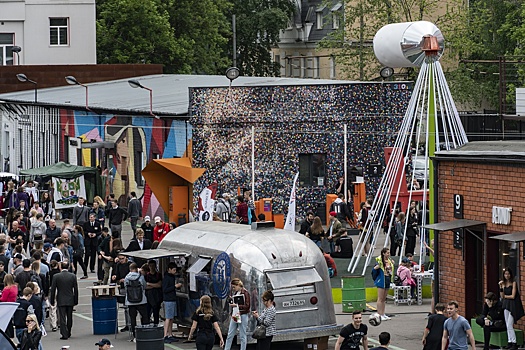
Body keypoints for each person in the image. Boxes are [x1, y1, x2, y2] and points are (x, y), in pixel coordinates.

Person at [49, 261, 79, 340]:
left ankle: (64, 333)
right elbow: (75, 289)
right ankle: (68, 331)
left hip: (61, 298)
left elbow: (53, 289)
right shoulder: (72, 276)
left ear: (60, 267)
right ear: (68, 267)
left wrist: (52, 300)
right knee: (69, 317)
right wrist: (76, 300)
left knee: (62, 317)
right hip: (70, 298)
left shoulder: (56, 276)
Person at [499, 267, 525, 350]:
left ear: (510, 274)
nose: (507, 275)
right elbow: (501, 296)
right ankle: (509, 341)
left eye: (508, 274)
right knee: (507, 324)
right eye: (505, 274)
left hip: (513, 305)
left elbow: (513, 296)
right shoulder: (503, 284)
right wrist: (500, 286)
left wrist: (505, 297)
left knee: (510, 324)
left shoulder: (514, 283)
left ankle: (514, 342)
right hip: (506, 305)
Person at [124, 262, 150, 340]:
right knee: (145, 316)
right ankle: (145, 331)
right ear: (136, 269)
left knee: (132, 318)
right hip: (141, 300)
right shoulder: (141, 277)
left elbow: (125, 288)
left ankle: (135, 334)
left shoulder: (126, 277)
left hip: (130, 301)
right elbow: (144, 286)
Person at [224, 278, 250, 350]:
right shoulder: (236, 293)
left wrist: (237, 305)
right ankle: (227, 348)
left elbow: (247, 306)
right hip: (236, 314)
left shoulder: (245, 293)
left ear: (238, 285)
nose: (233, 289)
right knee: (230, 334)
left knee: (242, 334)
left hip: (242, 314)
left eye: (234, 287)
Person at [372, 248, 394, 321]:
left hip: (388, 279)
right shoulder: (379, 261)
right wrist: (376, 268)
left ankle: (383, 313)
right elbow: (374, 270)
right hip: (382, 280)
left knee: (384, 299)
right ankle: (379, 314)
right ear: (383, 253)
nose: (388, 254)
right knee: (380, 298)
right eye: (387, 253)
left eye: (389, 253)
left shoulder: (390, 261)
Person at [163, 262, 182, 343]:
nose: (175, 271)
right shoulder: (167, 278)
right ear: (169, 270)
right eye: (173, 270)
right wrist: (174, 287)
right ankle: (165, 335)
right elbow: (165, 290)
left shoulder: (172, 277)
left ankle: (170, 334)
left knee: (171, 318)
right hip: (168, 299)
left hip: (172, 298)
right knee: (168, 317)